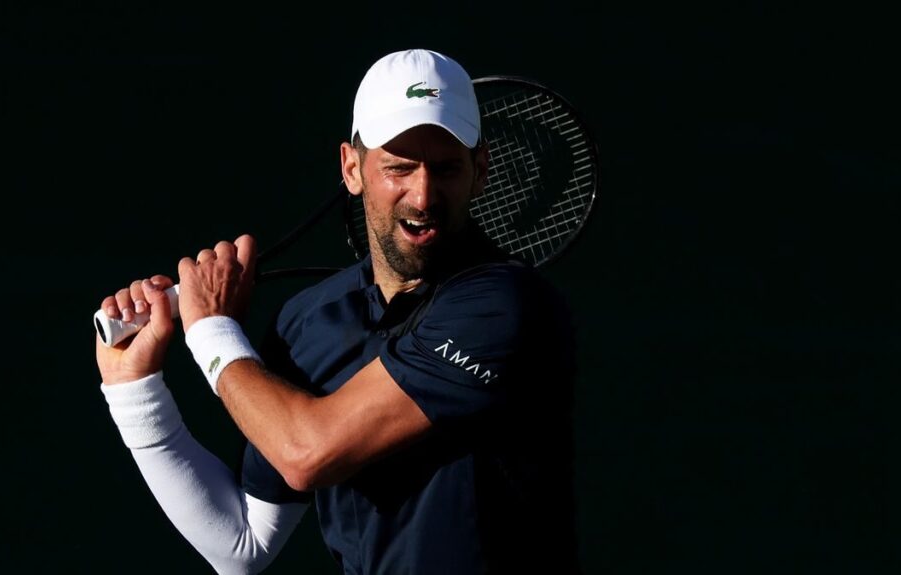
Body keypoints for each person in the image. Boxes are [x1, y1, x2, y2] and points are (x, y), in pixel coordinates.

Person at [96, 49, 579, 574]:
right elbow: (240, 548)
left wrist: (210, 330)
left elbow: (306, 452)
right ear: (352, 168)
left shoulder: (504, 305)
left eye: (445, 168)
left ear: (480, 171)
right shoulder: (310, 320)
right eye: (398, 167)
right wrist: (134, 390)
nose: (423, 194)